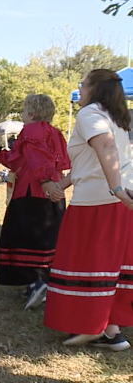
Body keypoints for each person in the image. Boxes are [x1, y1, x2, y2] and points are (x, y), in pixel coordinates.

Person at [44, 69, 133, 351]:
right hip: (116, 197)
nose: (80, 90)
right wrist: (65, 182)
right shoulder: (115, 116)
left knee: (85, 262)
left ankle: (90, 326)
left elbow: (105, 147)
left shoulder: (89, 114)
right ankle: (112, 331)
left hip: (100, 200)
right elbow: (91, 161)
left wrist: (115, 189)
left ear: (95, 88)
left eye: (83, 85)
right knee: (110, 264)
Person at [0, 95, 69, 310]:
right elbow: (20, 158)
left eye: (24, 110)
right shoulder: (54, 132)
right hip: (53, 194)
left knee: (24, 237)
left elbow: (37, 160)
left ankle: (35, 282)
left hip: (33, 192)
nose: (22, 114)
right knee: (48, 240)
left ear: (31, 113)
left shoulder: (32, 131)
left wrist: (45, 180)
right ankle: (43, 281)